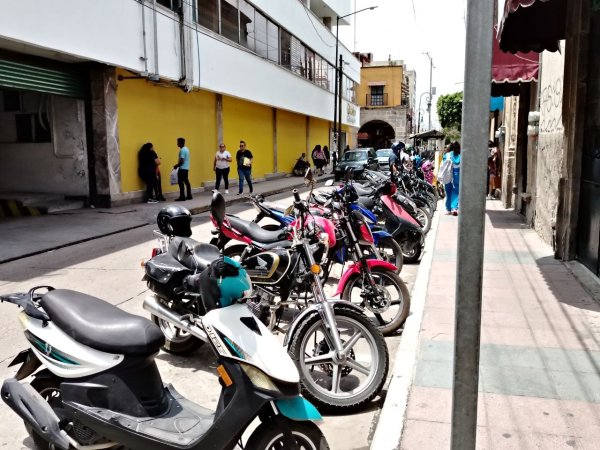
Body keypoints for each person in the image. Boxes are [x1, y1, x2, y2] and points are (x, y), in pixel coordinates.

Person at [444, 141, 461, 215]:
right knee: (456, 192)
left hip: (448, 175)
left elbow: (443, 165)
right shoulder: (461, 156)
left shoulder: (447, 155)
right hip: (457, 175)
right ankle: (454, 208)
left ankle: (448, 209)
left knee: (448, 192)